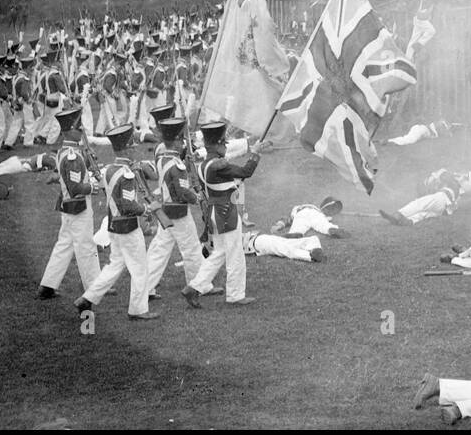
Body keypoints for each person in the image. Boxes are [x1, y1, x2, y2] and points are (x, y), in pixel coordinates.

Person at [74, 125, 159, 321]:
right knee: (139, 268)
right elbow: (128, 204)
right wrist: (146, 209)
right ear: (127, 149)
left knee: (114, 266)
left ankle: (87, 298)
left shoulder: (110, 169)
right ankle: (138, 309)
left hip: (114, 225)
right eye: (132, 147)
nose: (135, 149)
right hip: (128, 227)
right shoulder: (127, 173)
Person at [182, 122, 260, 308]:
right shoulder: (219, 165)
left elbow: (233, 178)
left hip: (215, 214)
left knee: (220, 253)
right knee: (235, 255)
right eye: (223, 144)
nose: (225, 147)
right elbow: (245, 172)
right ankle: (235, 295)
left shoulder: (204, 165)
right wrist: (255, 153)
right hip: (226, 213)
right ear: (217, 145)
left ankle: (194, 287)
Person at [36, 107, 102, 300]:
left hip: (69, 206)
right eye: (78, 127)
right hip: (77, 205)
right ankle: (94, 286)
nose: (82, 130)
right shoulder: (72, 154)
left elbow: (73, 175)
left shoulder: (68, 150)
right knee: (85, 246)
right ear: (70, 130)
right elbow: (75, 187)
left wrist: (88, 163)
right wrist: (93, 187)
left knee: (64, 245)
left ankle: (47, 286)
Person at [144, 114, 210, 299]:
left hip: (166, 210)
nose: (183, 142)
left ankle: (146, 287)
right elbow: (182, 192)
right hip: (178, 212)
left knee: (159, 251)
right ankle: (199, 285)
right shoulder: (176, 165)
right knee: (191, 249)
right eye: (181, 139)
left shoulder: (162, 157)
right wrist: (196, 198)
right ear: (176, 141)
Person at [270, 197, 348, 239]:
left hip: (301, 214)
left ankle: (295, 234)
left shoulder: (299, 209)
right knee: (323, 225)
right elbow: (324, 219)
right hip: (316, 215)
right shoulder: (318, 212)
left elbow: (287, 219)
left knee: (299, 227)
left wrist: (279, 225)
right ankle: (331, 229)